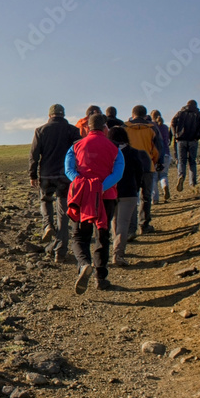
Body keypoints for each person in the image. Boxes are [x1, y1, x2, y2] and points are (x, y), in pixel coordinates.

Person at [65, 113, 124, 293]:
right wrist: (100, 187)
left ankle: (83, 264)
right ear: (105, 128)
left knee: (80, 236)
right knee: (103, 237)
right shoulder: (115, 148)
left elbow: (69, 170)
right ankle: (101, 278)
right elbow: (118, 173)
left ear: (88, 128)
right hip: (106, 197)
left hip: (83, 198)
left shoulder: (75, 146)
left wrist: (84, 185)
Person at [29, 104, 81, 263]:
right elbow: (79, 153)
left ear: (50, 115)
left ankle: (47, 225)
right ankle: (60, 252)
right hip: (66, 176)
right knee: (63, 214)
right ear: (63, 115)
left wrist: (33, 174)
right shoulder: (73, 131)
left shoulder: (40, 130)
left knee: (45, 200)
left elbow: (34, 154)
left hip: (46, 174)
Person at [107, 127, 149, 267]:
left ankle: (115, 247)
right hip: (129, 192)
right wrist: (137, 187)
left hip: (111, 190)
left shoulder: (108, 153)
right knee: (124, 223)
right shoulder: (133, 153)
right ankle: (118, 253)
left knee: (114, 221)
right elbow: (139, 172)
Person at [125, 105, 162, 234]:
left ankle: (130, 227)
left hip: (129, 167)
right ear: (146, 115)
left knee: (131, 196)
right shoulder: (152, 128)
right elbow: (158, 148)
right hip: (147, 166)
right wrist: (157, 162)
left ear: (132, 114)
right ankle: (144, 225)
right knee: (146, 196)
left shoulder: (125, 127)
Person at [170, 99, 200, 191]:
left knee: (181, 161)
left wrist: (175, 134)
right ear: (196, 105)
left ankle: (181, 176)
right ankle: (192, 183)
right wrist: (199, 135)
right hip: (193, 140)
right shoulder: (198, 113)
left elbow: (172, 122)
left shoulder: (180, 113)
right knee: (192, 162)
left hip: (180, 140)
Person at [150, 109, 172, 202]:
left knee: (154, 177)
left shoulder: (152, 127)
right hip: (166, 153)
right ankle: (164, 185)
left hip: (155, 154)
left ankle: (155, 199)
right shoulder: (165, 127)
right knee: (163, 174)